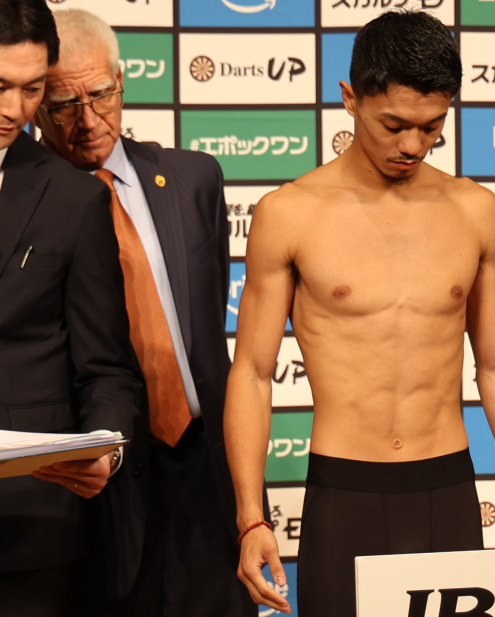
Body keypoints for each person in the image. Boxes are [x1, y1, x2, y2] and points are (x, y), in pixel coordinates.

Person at [224, 10, 495, 617]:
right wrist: (251, 518)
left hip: (447, 485)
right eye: (394, 125)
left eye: (432, 127)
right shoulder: (288, 213)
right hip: (343, 487)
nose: (412, 146)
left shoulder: (474, 209)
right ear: (350, 98)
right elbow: (252, 373)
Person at [34, 8, 260, 617]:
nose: (88, 121)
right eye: (63, 105)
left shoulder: (193, 178)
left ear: (121, 81)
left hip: (204, 465)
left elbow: (206, 324)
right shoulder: (26, 202)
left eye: (100, 95)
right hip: (90, 476)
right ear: (34, 106)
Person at [0, 1, 145, 616]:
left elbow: (106, 368)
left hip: (25, 527)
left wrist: (105, 449)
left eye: (32, 89)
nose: (14, 110)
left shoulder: (72, 198)